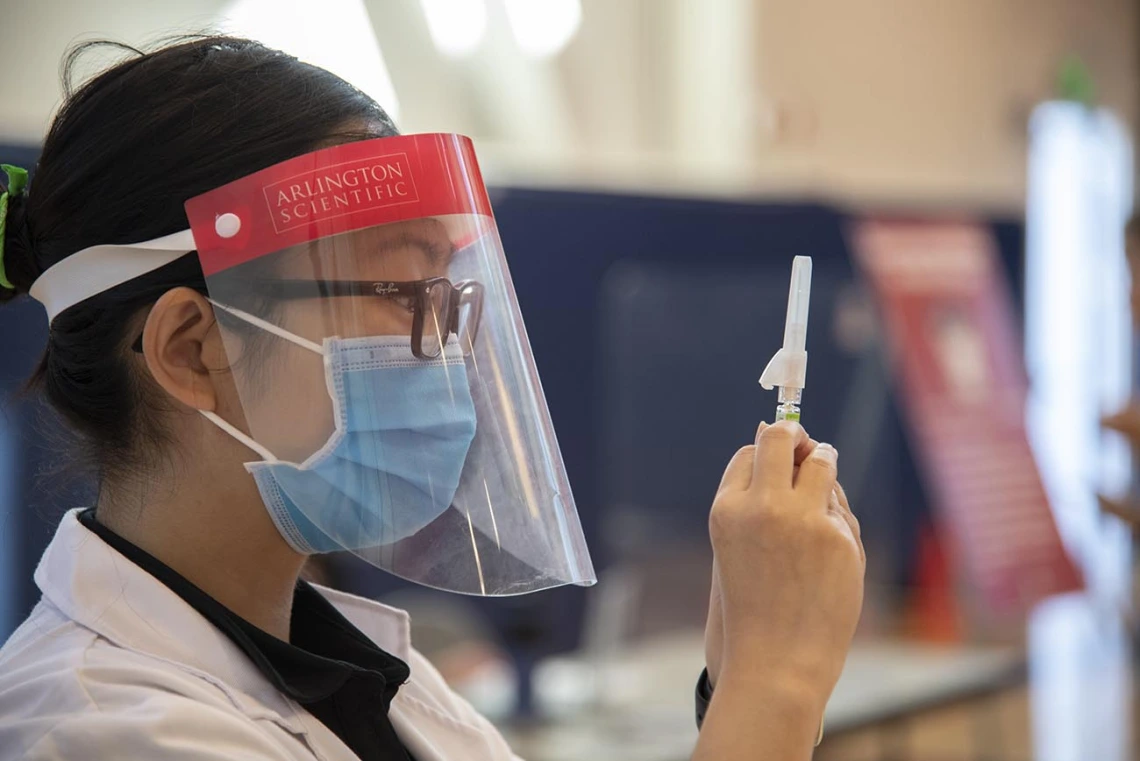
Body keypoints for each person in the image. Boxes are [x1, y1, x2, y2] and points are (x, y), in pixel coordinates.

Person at [0, 37, 864, 761]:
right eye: (396, 295)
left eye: (447, 303)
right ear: (193, 350)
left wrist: (731, 678)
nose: (441, 353)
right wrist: (773, 687)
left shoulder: (363, 674)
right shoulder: (97, 727)